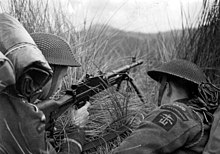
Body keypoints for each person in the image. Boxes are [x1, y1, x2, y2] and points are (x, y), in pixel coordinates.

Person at [0, 30, 89, 154]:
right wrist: (78, 129)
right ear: (46, 72)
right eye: (62, 77)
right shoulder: (23, 121)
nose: (61, 85)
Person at [112, 59, 215, 154]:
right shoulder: (201, 116)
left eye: (159, 85)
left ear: (167, 87)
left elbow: (127, 151)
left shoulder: (173, 113)